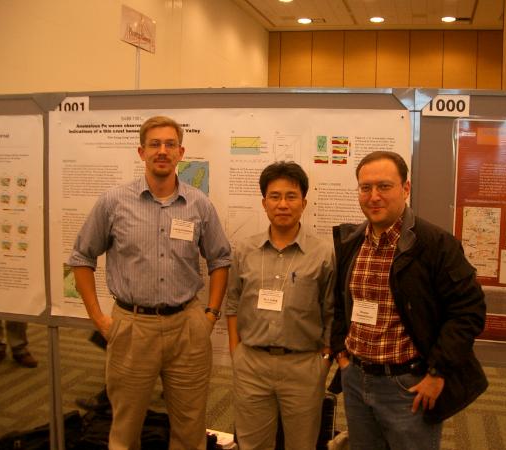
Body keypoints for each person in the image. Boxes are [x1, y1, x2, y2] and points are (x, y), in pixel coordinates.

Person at [68, 115, 231, 450]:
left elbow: (220, 260)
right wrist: (99, 318)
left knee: (190, 428)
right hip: (132, 327)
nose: (162, 151)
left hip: (187, 328)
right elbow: (81, 258)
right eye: (154, 144)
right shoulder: (114, 202)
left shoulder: (198, 204)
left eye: (170, 144)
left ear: (181, 152)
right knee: (125, 429)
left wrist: (210, 315)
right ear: (141, 152)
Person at [330, 151, 488, 450]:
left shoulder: (435, 245)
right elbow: (340, 303)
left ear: (405, 188)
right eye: (365, 188)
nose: (374, 196)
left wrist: (438, 373)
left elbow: (468, 312)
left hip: (407, 385)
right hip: (356, 379)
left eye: (384, 186)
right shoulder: (352, 242)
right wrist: (342, 355)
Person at [226, 161, 335, 450]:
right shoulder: (244, 250)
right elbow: (233, 302)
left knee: (302, 444)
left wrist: (324, 360)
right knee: (252, 444)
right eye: (275, 196)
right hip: (252, 363)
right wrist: (236, 351)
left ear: (304, 203)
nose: (283, 204)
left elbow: (331, 310)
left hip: (303, 365)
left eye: (291, 196)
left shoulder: (323, 253)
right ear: (264, 203)